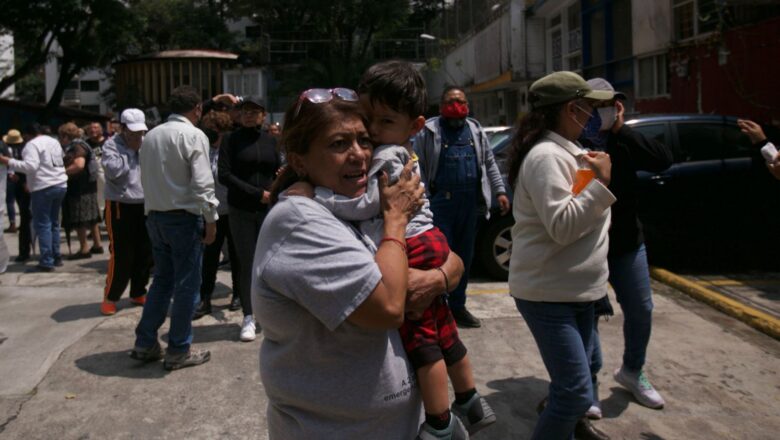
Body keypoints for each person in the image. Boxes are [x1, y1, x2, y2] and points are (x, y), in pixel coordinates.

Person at [253, 88, 464, 439]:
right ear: (300, 160)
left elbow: (447, 257)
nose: (359, 155)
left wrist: (439, 278)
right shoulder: (300, 220)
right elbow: (388, 308)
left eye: (364, 141)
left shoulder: (352, 203)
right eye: (338, 144)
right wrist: (395, 222)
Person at [506, 71, 616, 440]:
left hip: (573, 291)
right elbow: (564, 225)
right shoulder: (546, 158)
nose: (594, 117)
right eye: (589, 109)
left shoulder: (566, 151)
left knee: (576, 380)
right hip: (549, 294)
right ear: (572, 109)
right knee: (574, 393)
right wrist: (600, 182)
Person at [578, 78, 672, 417]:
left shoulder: (625, 139)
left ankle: (632, 370)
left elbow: (663, 160)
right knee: (587, 317)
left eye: (610, 105)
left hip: (627, 243)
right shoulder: (575, 143)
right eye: (596, 105)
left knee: (641, 309)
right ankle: (587, 385)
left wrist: (622, 129)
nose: (602, 112)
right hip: (586, 245)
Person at [130, 86, 219, 371]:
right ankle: (178, 348)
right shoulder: (193, 135)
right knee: (185, 286)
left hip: (156, 216)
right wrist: (211, 219)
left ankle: (145, 342)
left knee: (162, 281)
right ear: (197, 110)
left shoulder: (151, 136)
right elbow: (203, 184)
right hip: (183, 218)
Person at [413, 86, 510, 328]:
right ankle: (439, 309)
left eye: (461, 101)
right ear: (442, 105)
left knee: (465, 258)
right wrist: (423, 200)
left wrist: (499, 191)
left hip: (470, 205)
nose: (456, 105)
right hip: (441, 205)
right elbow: (420, 167)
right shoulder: (429, 131)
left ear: (467, 105)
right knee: (440, 258)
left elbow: (489, 163)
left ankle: (458, 307)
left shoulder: (475, 129)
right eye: (450, 101)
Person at [218, 95, 281, 341]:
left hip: (268, 209)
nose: (249, 115)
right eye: (244, 111)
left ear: (263, 115)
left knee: (270, 263)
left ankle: (270, 312)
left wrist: (275, 188)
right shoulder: (231, 140)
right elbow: (224, 175)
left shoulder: (271, 140)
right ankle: (248, 316)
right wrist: (257, 194)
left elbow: (278, 169)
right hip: (241, 209)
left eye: (254, 111)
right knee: (247, 263)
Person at [100, 108, 153, 316]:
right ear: (122, 128)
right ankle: (110, 297)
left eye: (140, 132)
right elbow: (114, 173)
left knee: (145, 252)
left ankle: (138, 291)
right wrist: (131, 151)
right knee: (122, 253)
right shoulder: (111, 145)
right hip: (120, 204)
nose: (138, 136)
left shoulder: (147, 142)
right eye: (133, 132)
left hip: (144, 203)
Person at [0, 123, 68, 272]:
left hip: (43, 186)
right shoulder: (53, 141)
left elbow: (30, 167)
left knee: (42, 224)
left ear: (27, 135)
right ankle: (56, 257)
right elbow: (60, 159)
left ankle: (47, 260)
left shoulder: (31, 145)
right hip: (60, 183)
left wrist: (7, 161)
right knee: (54, 223)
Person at [194, 110, 240, 319]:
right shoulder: (202, 150)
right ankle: (205, 298)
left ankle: (238, 294)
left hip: (232, 209)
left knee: (236, 255)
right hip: (210, 211)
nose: (213, 135)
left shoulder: (232, 150)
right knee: (209, 257)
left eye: (216, 131)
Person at [58, 122, 102, 260]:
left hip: (79, 187)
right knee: (92, 217)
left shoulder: (77, 146)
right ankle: (97, 244)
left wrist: (61, 173)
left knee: (80, 218)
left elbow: (79, 165)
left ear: (66, 136)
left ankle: (84, 248)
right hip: (88, 186)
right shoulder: (84, 144)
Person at [3, 129, 32, 262]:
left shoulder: (24, 148)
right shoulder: (9, 147)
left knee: (25, 214)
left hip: (20, 180)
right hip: (12, 178)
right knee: (10, 202)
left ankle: (25, 250)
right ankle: (13, 222)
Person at [86, 120, 107, 224]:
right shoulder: (86, 144)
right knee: (96, 203)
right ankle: (95, 226)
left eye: (95, 128)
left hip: (106, 177)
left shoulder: (108, 143)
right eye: (90, 128)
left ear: (101, 130)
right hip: (92, 178)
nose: (92, 130)